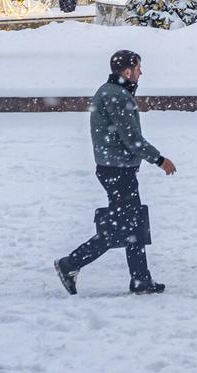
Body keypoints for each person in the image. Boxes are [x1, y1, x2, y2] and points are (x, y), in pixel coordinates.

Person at [55, 50, 177, 295]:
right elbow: (131, 138)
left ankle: (141, 279)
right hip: (117, 170)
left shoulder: (111, 92)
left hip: (115, 168)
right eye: (139, 68)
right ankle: (71, 263)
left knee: (133, 225)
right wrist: (159, 159)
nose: (142, 72)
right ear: (128, 71)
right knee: (122, 228)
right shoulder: (116, 96)